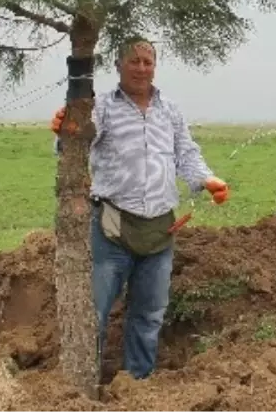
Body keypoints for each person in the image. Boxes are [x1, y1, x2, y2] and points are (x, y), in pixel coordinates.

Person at [50, 37, 229, 381]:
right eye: (134, 61)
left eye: (148, 62)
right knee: (95, 312)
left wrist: (207, 180)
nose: (141, 68)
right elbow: (76, 143)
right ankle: (83, 385)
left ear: (155, 67)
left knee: (149, 315)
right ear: (118, 65)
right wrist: (66, 129)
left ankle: (138, 384)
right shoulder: (101, 107)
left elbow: (186, 154)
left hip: (161, 229)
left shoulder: (170, 110)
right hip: (112, 227)